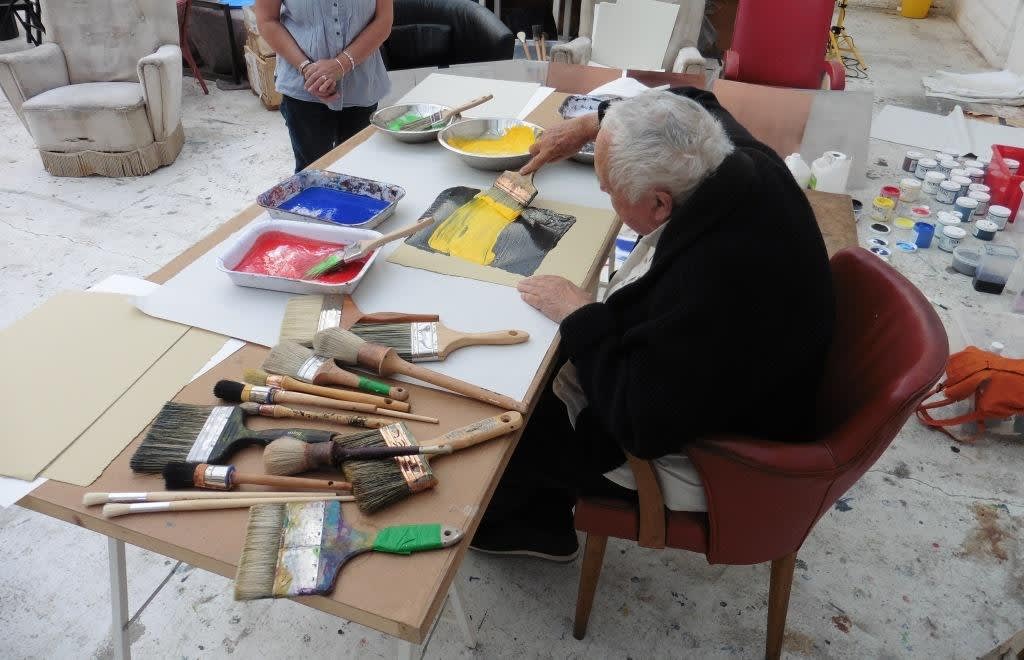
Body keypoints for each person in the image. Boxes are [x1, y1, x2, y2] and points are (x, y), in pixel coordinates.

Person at [470, 88, 836, 561]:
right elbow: (693, 97)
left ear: (660, 205)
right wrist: (593, 124)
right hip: (744, 373)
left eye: (610, 192)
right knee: (545, 362)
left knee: (515, 416)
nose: (606, 199)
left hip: (727, 452)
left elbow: (639, 423)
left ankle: (533, 527)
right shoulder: (741, 160)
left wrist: (581, 314)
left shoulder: (712, 278)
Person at [255, 0, 392, 172]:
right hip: (303, 87)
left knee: (359, 172)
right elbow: (267, 20)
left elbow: (384, 20)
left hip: (361, 84)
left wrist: (341, 64)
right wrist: (307, 70)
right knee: (311, 174)